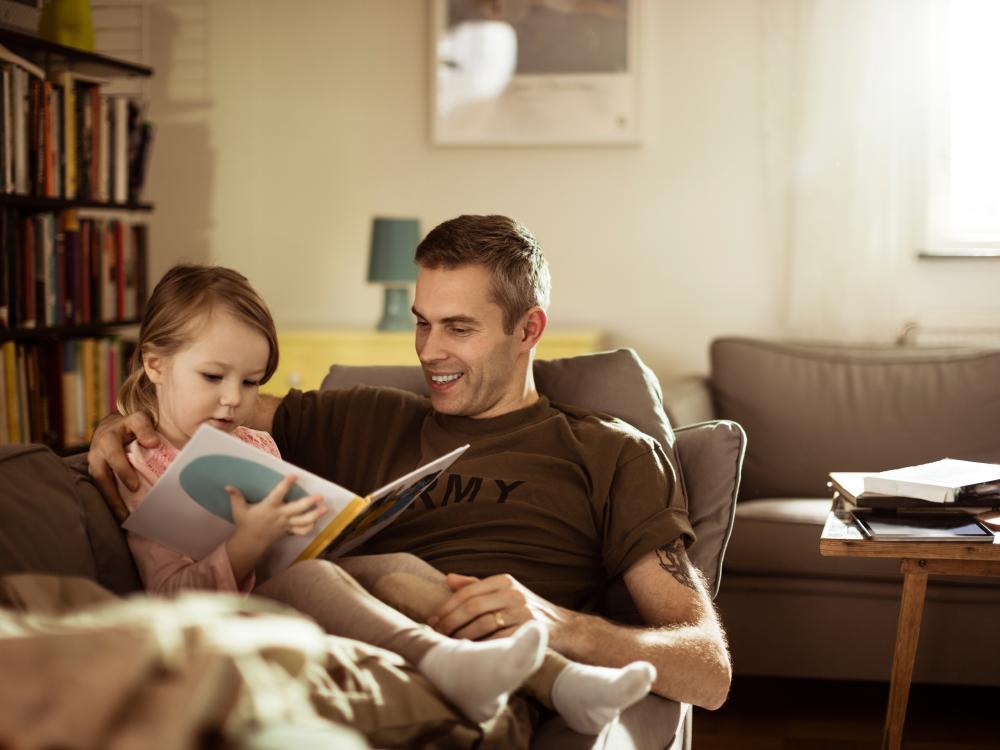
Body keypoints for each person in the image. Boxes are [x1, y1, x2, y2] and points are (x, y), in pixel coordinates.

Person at [91, 215, 731, 728]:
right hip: (339, 655)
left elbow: (708, 669)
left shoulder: (608, 452)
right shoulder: (363, 417)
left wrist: (560, 626)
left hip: (487, 694)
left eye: (459, 328)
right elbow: (202, 395)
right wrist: (120, 423)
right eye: (421, 324)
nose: (430, 351)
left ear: (528, 328)